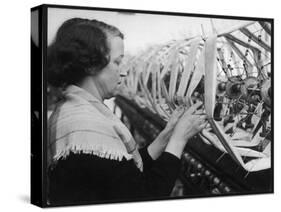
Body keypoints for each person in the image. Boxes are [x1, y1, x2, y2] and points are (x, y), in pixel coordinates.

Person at [47, 18, 207, 205]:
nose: (123, 72)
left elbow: (123, 174)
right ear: (90, 64)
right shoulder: (86, 127)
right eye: (117, 62)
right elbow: (144, 196)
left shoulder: (76, 111)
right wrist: (179, 140)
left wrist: (166, 136)